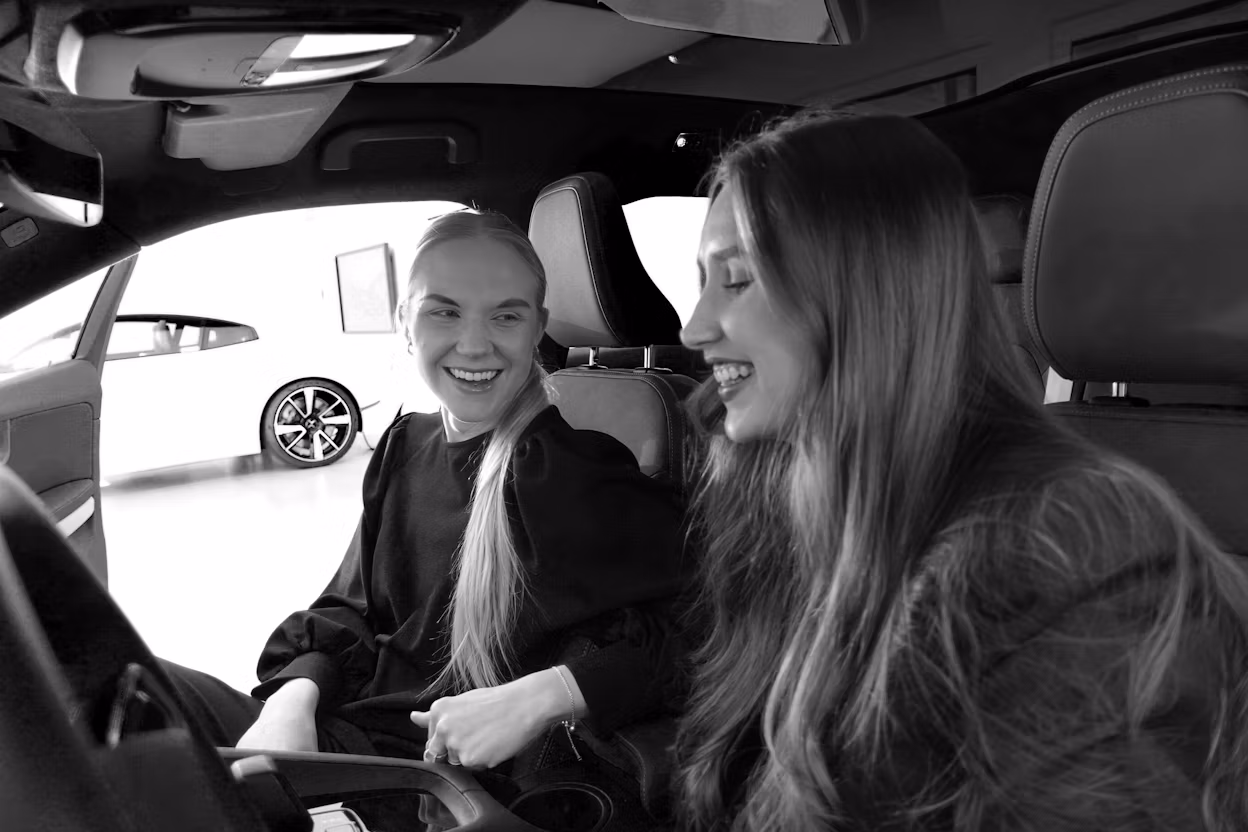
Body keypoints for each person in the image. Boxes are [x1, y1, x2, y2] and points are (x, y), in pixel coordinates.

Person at [673, 111, 1248, 831]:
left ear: (870, 289)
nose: (692, 328)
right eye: (702, 281)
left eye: (736, 279)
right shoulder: (783, 490)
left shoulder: (1068, 543)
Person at [166, 210, 690, 774]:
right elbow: (352, 606)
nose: (474, 344)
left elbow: (707, 627)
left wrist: (548, 695)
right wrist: (291, 701)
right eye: (445, 311)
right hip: (336, 730)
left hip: (424, 777)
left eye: (505, 316)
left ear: (538, 327)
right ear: (404, 321)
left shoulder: (571, 473)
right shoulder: (403, 444)